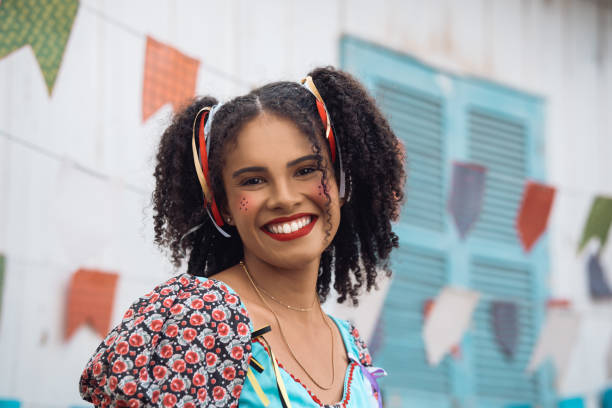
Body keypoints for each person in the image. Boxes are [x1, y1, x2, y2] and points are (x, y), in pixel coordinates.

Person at [79, 66, 405, 407]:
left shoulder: (350, 345)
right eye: (253, 180)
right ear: (224, 207)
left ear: (340, 181)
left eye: (306, 170)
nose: (284, 197)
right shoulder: (197, 317)